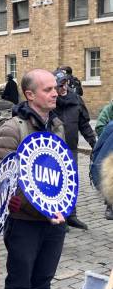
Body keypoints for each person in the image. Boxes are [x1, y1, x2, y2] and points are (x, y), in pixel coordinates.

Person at [0, 69, 67, 289]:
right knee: (18, 283)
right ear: (30, 94)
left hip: (54, 221)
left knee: (44, 280)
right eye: (48, 89)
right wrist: (40, 208)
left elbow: (63, 171)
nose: (55, 93)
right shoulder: (13, 129)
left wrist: (62, 207)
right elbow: (3, 179)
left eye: (56, 88)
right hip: (24, 221)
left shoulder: (57, 125)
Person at [54, 70, 96, 230]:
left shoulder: (76, 100)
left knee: (71, 182)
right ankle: (60, 217)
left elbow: (84, 125)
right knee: (57, 183)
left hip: (71, 149)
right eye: (59, 85)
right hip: (55, 150)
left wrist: (94, 143)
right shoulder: (51, 102)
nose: (63, 87)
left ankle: (71, 215)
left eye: (65, 83)